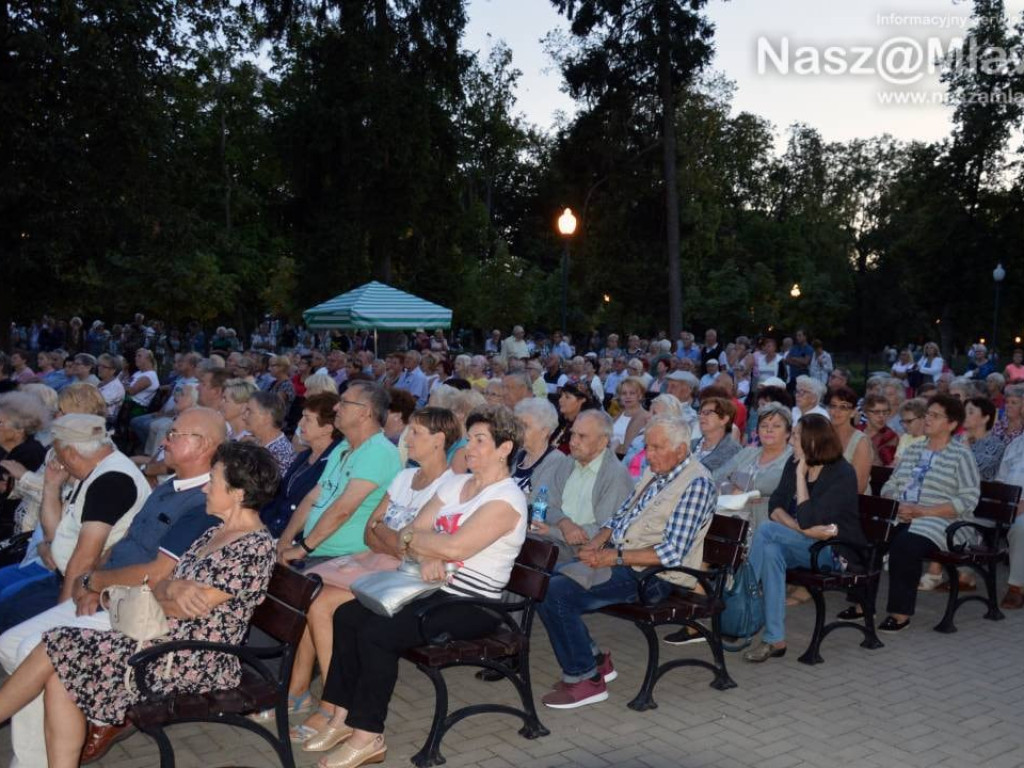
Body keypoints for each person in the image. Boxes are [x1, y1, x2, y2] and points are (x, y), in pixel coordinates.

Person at [0, 442, 277, 767]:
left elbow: (182, 609)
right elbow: (161, 591)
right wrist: (172, 587)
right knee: (59, 664)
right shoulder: (213, 531)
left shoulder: (254, 548)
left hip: (194, 658)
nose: (205, 486)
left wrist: (168, 593)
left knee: (55, 648)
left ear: (239, 493)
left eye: (213, 479)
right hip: (161, 639)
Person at [305, 405, 527, 767]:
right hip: (429, 586)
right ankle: (342, 718)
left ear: (505, 448)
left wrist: (427, 544)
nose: (469, 447)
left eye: (480, 440)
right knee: (347, 615)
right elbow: (413, 529)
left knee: (379, 631)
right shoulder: (457, 484)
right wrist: (426, 550)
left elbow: (453, 546)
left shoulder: (507, 499)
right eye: (469, 439)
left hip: (473, 602)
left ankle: (368, 736)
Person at [287, 407, 460, 743]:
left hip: (409, 575)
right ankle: (322, 700)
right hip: (380, 560)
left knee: (324, 605)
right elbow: (371, 530)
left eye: (416, 433)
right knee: (313, 594)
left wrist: (394, 539)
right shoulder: (404, 477)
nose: (407, 439)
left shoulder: (449, 486)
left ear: (439, 441)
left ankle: (334, 706)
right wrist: (396, 539)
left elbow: (414, 546)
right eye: (409, 430)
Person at [535, 415, 716, 709]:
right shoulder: (655, 472)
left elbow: (671, 553)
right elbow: (620, 516)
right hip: (625, 563)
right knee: (544, 580)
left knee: (558, 594)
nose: (650, 454)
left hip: (657, 577)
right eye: (648, 447)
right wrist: (595, 544)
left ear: (681, 451)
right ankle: (592, 661)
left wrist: (613, 556)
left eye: (657, 448)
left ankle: (586, 678)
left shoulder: (696, 484)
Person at [0, 414, 151, 635]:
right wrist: (51, 487)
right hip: (61, 576)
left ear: (70, 452)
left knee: (8, 624)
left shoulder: (112, 482)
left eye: (57, 452)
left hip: (82, 588)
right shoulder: (93, 470)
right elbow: (54, 535)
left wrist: (59, 614)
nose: (55, 459)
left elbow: (86, 557)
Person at [743, 414, 862, 662]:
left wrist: (800, 476)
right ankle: (775, 639)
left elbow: (810, 520)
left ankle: (745, 598)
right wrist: (802, 530)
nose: (792, 440)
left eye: (796, 435)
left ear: (813, 441)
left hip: (834, 551)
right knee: (771, 550)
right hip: (805, 543)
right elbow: (775, 505)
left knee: (766, 531)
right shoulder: (793, 462)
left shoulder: (841, 472)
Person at [876, 395, 980, 632]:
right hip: (904, 515)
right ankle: (863, 606)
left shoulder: (960, 455)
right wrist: (898, 504)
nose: (928, 419)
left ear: (952, 424)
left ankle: (900, 614)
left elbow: (968, 499)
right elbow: (890, 484)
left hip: (944, 521)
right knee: (870, 537)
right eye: (927, 415)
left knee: (905, 545)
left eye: (935, 416)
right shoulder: (914, 450)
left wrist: (923, 511)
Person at [277, 381, 402, 565]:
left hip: (345, 558)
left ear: (365, 412)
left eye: (344, 402)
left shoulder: (378, 451)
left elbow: (343, 510)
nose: (336, 407)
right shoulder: (343, 446)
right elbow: (313, 498)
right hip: (316, 551)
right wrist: (285, 541)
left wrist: (301, 549)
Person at [532, 410, 635, 558]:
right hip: (549, 539)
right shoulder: (568, 462)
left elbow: (605, 530)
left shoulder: (615, 475)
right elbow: (545, 503)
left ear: (603, 442)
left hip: (584, 553)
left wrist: (555, 531)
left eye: (582, 436)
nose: (573, 442)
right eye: (573, 434)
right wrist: (564, 522)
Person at [260, 394, 343, 538]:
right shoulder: (305, 455)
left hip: (295, 538)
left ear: (328, 428)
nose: (300, 423)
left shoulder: (334, 463)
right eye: (302, 417)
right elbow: (281, 497)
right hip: (274, 527)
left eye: (308, 419)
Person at [713, 402, 794, 530]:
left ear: (788, 433)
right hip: (729, 521)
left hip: (767, 527)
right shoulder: (747, 453)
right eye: (763, 425)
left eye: (776, 426)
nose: (769, 430)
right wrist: (733, 489)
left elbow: (767, 484)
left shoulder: (793, 459)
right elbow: (715, 477)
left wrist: (735, 479)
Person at [0, 393, 49, 539]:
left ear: (19, 429)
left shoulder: (32, 453)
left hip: (14, 528)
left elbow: (14, 495)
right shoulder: (6, 448)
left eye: (0, 423)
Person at [511, 398, 572, 502]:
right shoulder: (516, 454)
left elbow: (538, 501)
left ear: (544, 431)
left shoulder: (557, 461)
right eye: (517, 425)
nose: (518, 430)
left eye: (525, 426)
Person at [823, 386, 872, 493]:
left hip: (852, 501)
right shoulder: (822, 435)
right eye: (833, 406)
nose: (836, 411)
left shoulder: (861, 442)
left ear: (853, 412)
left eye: (843, 407)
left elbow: (859, 487)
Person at [242, 390, 295, 473]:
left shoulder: (280, 454)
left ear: (267, 417)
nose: (244, 416)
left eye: (250, 411)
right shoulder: (254, 443)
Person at [691, 396, 742, 473]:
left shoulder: (735, 452)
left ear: (724, 419)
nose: (701, 417)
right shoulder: (690, 444)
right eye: (700, 413)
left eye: (707, 413)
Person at [963, 396, 1004, 482]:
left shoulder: (996, 445)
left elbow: (973, 469)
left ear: (985, 418)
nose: (964, 415)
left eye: (970, 412)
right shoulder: (954, 439)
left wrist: (965, 442)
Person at [550, 381, 597, 455]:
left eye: (567, 397)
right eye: (561, 396)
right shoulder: (561, 422)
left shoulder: (584, 429)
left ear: (582, 400)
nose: (560, 400)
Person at [610, 376, 650, 459]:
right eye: (624, 393)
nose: (627, 396)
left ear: (640, 395)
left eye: (632, 393)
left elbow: (629, 448)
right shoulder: (618, 415)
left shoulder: (646, 417)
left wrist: (611, 448)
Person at [858, 393, 899, 468]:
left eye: (885, 412)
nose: (881, 416)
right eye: (876, 412)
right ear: (866, 412)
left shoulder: (890, 436)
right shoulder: (857, 430)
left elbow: (886, 465)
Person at [95, 353, 125, 425]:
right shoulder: (102, 382)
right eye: (99, 365)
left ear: (113, 370)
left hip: (106, 421)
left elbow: (98, 405)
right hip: (94, 415)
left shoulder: (116, 387)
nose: (99, 368)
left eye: (104, 367)